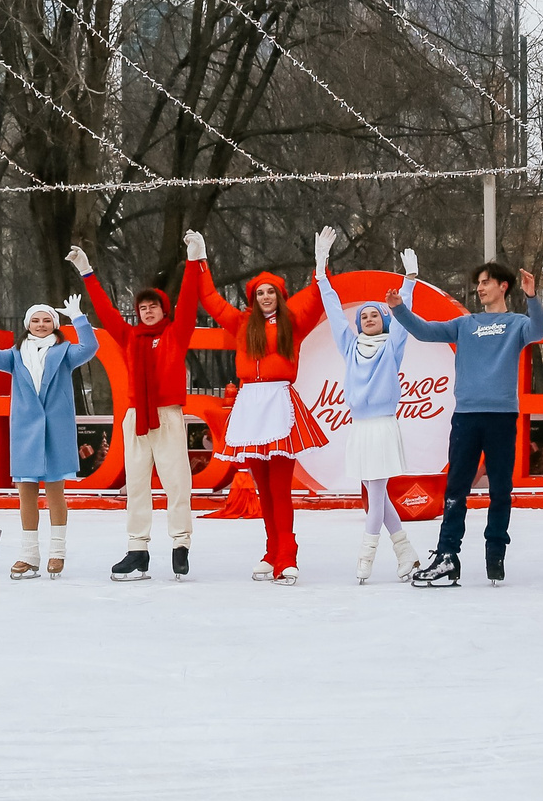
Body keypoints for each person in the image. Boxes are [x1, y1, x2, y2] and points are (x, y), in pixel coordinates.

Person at [392, 236, 543, 587]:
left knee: (501, 489)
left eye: (485, 283)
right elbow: (424, 331)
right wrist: (400, 310)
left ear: (502, 286)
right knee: (456, 488)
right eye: (477, 284)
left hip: (502, 417)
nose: (479, 288)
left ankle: (495, 553)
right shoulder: (465, 324)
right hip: (466, 417)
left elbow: (539, 330)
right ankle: (448, 555)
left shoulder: (516, 324)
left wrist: (533, 297)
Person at [191, 229, 331, 583]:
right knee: (263, 488)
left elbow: (317, 298)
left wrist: (321, 265)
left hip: (279, 405)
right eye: (259, 293)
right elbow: (209, 298)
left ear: (280, 297)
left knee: (281, 487)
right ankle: (271, 551)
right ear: (253, 298)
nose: (265, 297)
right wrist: (199, 261)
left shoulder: (293, 324)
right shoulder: (241, 324)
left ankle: (287, 554)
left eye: (271, 292)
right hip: (250, 407)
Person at [70, 239, 203, 582]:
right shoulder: (130, 338)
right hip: (136, 418)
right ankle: (137, 550)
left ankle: (180, 546)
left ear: (164, 310)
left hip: (168, 415)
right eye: (142, 307)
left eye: (153, 306)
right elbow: (105, 311)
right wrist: (87, 273)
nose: (147, 311)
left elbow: (190, 301)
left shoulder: (176, 334)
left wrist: (192, 261)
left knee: (177, 484)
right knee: (137, 485)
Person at [0, 295, 99, 579]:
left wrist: (79, 318)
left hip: (56, 431)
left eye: (47, 320)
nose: (41, 325)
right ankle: (28, 555)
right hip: (26, 432)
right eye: (36, 320)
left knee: (55, 493)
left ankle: (57, 552)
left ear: (55, 324)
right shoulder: (15, 355)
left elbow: (90, 347)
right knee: (26, 493)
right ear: (27, 325)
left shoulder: (64, 351)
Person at [316, 249, 419, 585]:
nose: (369, 318)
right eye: (363, 316)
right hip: (361, 429)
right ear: (358, 324)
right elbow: (333, 314)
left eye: (375, 314)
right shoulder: (350, 346)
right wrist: (321, 277)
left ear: (384, 319)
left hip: (383, 427)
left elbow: (404, 318)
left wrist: (410, 282)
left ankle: (366, 557)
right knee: (379, 495)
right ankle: (406, 554)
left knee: (376, 496)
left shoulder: (392, 346)